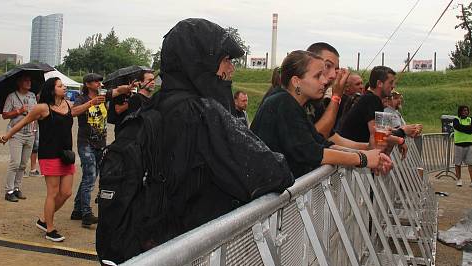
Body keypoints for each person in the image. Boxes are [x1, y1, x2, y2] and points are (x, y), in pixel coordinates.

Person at [153, 17, 294, 238]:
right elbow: (273, 172)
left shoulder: (157, 104)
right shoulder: (200, 113)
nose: (232, 68)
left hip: (162, 246)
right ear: (200, 62)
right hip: (196, 252)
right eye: (226, 59)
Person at [251, 50, 392, 178]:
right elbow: (312, 153)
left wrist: (368, 154)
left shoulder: (291, 103)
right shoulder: (282, 103)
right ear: (296, 81)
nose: (324, 81)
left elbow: (322, 143)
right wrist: (363, 159)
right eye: (318, 76)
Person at [0, 78, 102, 242]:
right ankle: (50, 229)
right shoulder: (42, 108)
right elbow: (22, 122)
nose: (64, 87)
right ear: (52, 90)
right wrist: (6, 136)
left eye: (63, 85)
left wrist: (92, 103)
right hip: (49, 154)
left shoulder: (68, 104)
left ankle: (44, 219)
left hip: (66, 154)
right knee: (53, 193)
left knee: (66, 192)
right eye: (60, 86)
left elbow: (76, 111)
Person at [337, 66, 420, 156]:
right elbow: (378, 136)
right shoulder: (373, 100)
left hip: (353, 152)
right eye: (391, 82)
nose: (393, 86)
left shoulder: (370, 99)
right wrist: (403, 133)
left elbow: (383, 132)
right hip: (351, 156)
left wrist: (401, 138)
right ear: (379, 83)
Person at [70, 73, 106, 227]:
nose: (98, 83)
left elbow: (116, 92)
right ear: (88, 84)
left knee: (89, 176)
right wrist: (91, 102)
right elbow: (73, 111)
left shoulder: (102, 96)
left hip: (100, 142)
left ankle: (77, 210)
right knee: (90, 177)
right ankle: (86, 213)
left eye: (99, 81)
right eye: (96, 81)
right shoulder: (82, 98)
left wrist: (129, 87)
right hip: (86, 143)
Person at [1, 74, 36, 202]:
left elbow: (36, 111)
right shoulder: (12, 96)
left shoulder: (32, 96)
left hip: (30, 133)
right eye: (26, 80)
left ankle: (17, 188)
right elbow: (4, 115)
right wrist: (19, 111)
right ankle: (8, 190)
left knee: (22, 164)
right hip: (16, 133)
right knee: (15, 162)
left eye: (29, 80)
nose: (29, 82)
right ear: (19, 82)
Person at [453, 105, 472, 188]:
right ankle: (459, 179)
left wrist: (465, 129)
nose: (466, 112)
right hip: (459, 144)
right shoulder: (456, 119)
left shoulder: (470, 119)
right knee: (457, 163)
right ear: (460, 111)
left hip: (469, 144)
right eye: (464, 110)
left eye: (467, 110)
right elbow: (458, 127)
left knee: (471, 163)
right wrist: (467, 129)